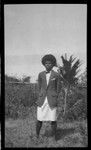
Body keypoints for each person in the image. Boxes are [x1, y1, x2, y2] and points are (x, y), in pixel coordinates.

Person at [36, 54, 62, 142]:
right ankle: (37, 136)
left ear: (53, 64)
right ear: (44, 64)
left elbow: (59, 87)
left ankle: (54, 137)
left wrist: (55, 95)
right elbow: (39, 87)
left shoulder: (57, 75)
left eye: (50, 63)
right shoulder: (40, 74)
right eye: (46, 63)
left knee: (53, 119)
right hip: (42, 99)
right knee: (39, 118)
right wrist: (41, 94)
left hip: (52, 99)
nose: (48, 65)